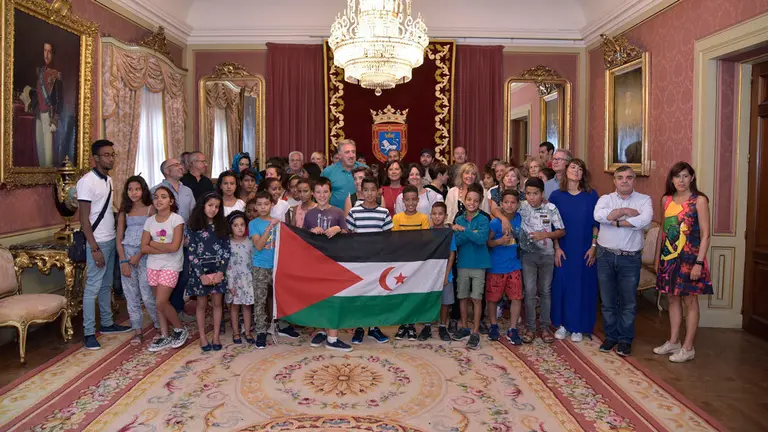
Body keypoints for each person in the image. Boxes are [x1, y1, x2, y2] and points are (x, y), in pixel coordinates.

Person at [653, 162, 712, 363]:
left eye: (685, 176)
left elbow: (706, 235)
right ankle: (673, 341)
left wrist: (699, 263)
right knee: (672, 299)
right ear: (671, 179)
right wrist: (657, 258)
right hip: (669, 258)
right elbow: (663, 230)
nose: (681, 180)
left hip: (691, 259)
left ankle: (688, 347)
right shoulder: (666, 200)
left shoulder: (699, 201)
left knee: (690, 301)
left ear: (692, 178)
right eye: (677, 176)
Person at [77, 140, 131, 350]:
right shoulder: (87, 182)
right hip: (97, 242)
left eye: (112, 154)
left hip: (109, 240)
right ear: (96, 158)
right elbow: (84, 219)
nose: (111, 158)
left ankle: (107, 323)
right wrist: (94, 247)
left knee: (106, 285)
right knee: (92, 287)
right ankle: (89, 332)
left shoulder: (108, 180)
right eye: (107, 155)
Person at [593, 165, 653, 357]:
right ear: (614, 181)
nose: (624, 181)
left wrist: (613, 220)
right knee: (608, 301)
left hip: (630, 259)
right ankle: (611, 337)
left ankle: (625, 340)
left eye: (629, 177)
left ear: (634, 180)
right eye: (620, 177)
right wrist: (625, 211)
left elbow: (644, 221)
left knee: (628, 302)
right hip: (605, 256)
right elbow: (599, 216)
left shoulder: (644, 200)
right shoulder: (605, 199)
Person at [550, 159, 599, 343]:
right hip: (563, 248)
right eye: (573, 167)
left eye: (580, 169)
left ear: (583, 174)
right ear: (566, 170)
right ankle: (563, 324)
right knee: (562, 285)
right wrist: (556, 248)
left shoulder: (591, 195)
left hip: (585, 248)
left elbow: (596, 224)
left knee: (582, 286)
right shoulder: (556, 196)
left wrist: (594, 247)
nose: (576, 171)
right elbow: (553, 225)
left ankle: (579, 326)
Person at [303, 177, 352, 351]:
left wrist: (339, 229)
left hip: (334, 261)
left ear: (330, 193)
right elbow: (303, 239)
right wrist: (311, 232)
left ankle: (333, 338)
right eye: (318, 192)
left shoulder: (338, 212)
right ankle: (323, 330)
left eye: (325, 192)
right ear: (313, 194)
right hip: (316, 263)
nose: (322, 195)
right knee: (319, 297)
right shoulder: (309, 214)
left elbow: (348, 234)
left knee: (333, 298)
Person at [518, 177, 565, 344]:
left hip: (547, 255)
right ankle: (530, 327)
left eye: (535, 193)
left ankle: (545, 327)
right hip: (528, 255)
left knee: (545, 290)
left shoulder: (551, 208)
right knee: (530, 291)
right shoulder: (521, 207)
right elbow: (502, 208)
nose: (531, 197)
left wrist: (545, 235)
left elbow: (561, 231)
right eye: (528, 194)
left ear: (542, 193)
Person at [346, 176, 393, 345]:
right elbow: (349, 237)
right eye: (366, 190)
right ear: (361, 191)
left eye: (373, 190)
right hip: (359, 261)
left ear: (379, 191)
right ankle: (359, 327)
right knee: (360, 294)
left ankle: (374, 327)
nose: (370, 193)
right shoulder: (354, 212)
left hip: (377, 262)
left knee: (375, 294)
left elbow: (388, 238)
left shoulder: (384, 213)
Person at [141, 186, 188, 352]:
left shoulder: (177, 220)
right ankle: (164, 335)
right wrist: (162, 247)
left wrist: (153, 243)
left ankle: (180, 329)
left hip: (171, 265)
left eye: (163, 196)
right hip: (153, 265)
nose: (159, 200)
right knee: (159, 303)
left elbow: (175, 247)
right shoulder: (150, 221)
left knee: (162, 301)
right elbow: (143, 248)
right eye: (156, 197)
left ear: (171, 201)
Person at [116, 175, 159, 345]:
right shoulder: (124, 212)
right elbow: (119, 240)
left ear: (143, 190)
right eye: (130, 189)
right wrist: (123, 261)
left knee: (147, 294)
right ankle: (137, 329)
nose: (134, 193)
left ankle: (158, 325)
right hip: (127, 255)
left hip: (145, 255)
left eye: (137, 189)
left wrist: (139, 255)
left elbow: (153, 236)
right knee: (130, 294)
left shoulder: (151, 209)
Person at [186, 192, 231, 351]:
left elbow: (226, 251)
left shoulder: (223, 225)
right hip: (201, 272)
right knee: (201, 304)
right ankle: (203, 337)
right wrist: (201, 275)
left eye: (217, 207)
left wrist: (221, 272)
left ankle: (216, 335)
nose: (213, 209)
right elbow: (191, 252)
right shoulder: (193, 226)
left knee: (218, 303)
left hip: (218, 270)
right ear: (203, 206)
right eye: (210, 205)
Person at [154, 158, 196, 322]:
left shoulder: (187, 191)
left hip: (184, 240)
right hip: (165, 242)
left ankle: (177, 308)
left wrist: (190, 236)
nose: (181, 167)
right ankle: (165, 310)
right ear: (167, 171)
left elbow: (193, 215)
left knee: (184, 275)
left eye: (180, 164)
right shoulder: (156, 190)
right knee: (166, 277)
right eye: (176, 165)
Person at [450, 183, 491, 350]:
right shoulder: (458, 218)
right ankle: (465, 327)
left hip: (479, 264)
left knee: (477, 298)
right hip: (463, 263)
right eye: (469, 199)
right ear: (464, 200)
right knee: (462, 296)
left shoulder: (483, 219)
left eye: (475, 200)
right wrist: (471, 233)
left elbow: (482, 239)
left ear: (480, 202)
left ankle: (475, 332)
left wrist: (463, 230)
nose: (472, 203)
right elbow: (457, 241)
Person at [392, 185, 431, 340]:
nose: (410, 203)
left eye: (413, 199)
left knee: (413, 294)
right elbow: (394, 240)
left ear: (418, 200)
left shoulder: (423, 218)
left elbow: (426, 240)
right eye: (407, 200)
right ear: (402, 201)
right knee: (402, 294)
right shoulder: (397, 218)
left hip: (417, 263)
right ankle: (403, 324)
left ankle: (412, 325)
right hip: (402, 263)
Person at [486, 190, 524, 344]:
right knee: (493, 298)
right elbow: (488, 243)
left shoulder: (520, 219)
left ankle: (513, 328)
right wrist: (499, 241)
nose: (509, 205)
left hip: (514, 265)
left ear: (517, 205)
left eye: (513, 202)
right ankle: (494, 325)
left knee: (516, 297)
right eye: (506, 202)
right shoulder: (495, 223)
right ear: (501, 204)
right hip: (496, 266)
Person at [249, 191, 281, 349]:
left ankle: (278, 325)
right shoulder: (253, 224)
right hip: (260, 266)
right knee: (260, 300)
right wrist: (270, 227)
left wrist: (276, 224)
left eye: (266, 204)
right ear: (255, 206)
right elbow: (259, 245)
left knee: (278, 298)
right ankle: (261, 331)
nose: (263, 207)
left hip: (276, 265)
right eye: (259, 204)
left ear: (272, 205)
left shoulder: (279, 222)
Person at [28, 41, 63, 167]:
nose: (46, 54)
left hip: (49, 114)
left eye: (49, 51)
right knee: (40, 148)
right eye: (45, 51)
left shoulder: (56, 75)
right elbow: (37, 92)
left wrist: (55, 118)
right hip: (38, 113)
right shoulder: (39, 72)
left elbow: (60, 98)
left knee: (48, 153)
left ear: (52, 54)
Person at [425, 202, 456, 342]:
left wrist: (446, 275)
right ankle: (427, 326)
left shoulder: (449, 234)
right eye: (434, 214)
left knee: (445, 301)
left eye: (440, 214)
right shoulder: (427, 233)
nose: (437, 217)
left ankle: (443, 326)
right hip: (430, 275)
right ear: (430, 215)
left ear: (446, 216)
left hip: (445, 275)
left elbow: (451, 255)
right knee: (429, 300)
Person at [225, 211, 255, 345]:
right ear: (230, 227)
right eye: (236, 225)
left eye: (242, 225)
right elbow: (226, 264)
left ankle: (247, 331)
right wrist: (229, 283)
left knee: (247, 306)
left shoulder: (250, 242)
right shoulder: (227, 243)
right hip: (233, 279)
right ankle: (236, 331)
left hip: (247, 279)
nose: (240, 228)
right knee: (235, 306)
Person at [322, 139, 366, 209]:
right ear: (339, 155)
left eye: (353, 152)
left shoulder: (365, 169)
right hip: (335, 216)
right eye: (347, 152)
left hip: (361, 216)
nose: (351, 155)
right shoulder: (328, 172)